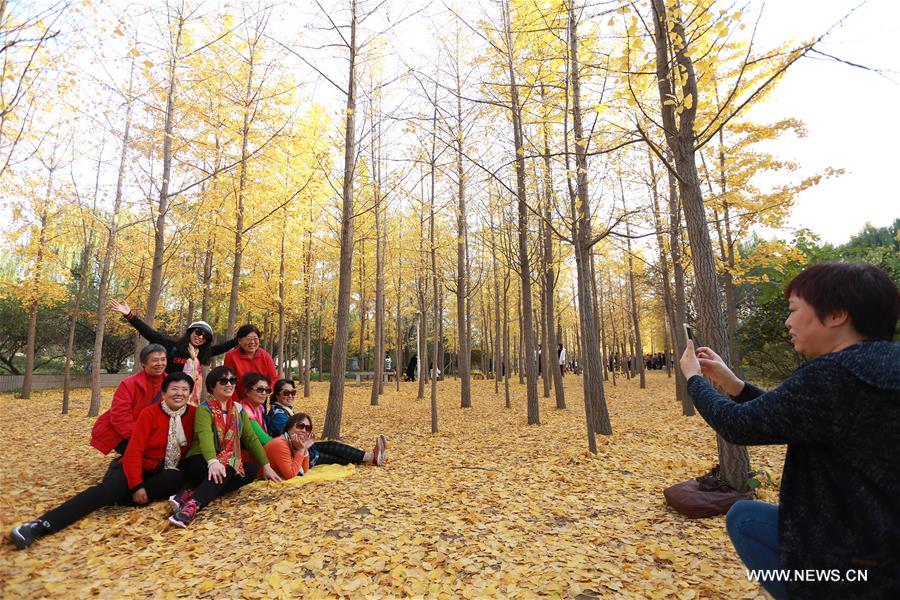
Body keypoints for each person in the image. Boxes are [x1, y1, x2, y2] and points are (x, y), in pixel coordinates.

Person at [679, 262, 900, 599]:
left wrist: (694, 380)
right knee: (746, 517)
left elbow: (738, 426)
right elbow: (792, 415)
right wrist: (733, 384)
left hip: (853, 564)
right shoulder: (878, 367)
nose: (788, 321)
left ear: (837, 314)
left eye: (794, 310)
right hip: (884, 548)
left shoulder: (833, 374)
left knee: (746, 519)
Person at [11, 372, 197, 550]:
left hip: (163, 469)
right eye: (174, 389)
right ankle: (40, 525)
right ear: (163, 393)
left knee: (174, 479)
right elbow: (134, 451)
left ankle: (120, 497)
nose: (179, 393)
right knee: (106, 492)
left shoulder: (193, 414)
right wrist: (136, 486)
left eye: (184, 389)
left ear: (190, 393)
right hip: (136, 465)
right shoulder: (149, 414)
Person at [169, 365, 281, 528]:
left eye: (232, 380)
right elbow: (205, 436)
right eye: (224, 381)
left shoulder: (238, 410)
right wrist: (213, 461)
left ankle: (190, 494)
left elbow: (250, 438)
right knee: (229, 464)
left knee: (250, 469)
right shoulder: (204, 409)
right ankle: (192, 507)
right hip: (200, 461)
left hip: (225, 463)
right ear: (212, 386)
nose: (230, 384)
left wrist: (266, 465)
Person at [109, 299, 236, 403]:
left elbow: (224, 346)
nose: (201, 337)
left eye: (206, 336)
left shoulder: (201, 354)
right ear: (190, 332)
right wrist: (129, 315)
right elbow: (150, 334)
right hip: (166, 396)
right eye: (198, 332)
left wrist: (243, 337)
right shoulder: (173, 347)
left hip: (190, 398)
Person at [90, 343, 168, 455]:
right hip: (128, 434)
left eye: (163, 359)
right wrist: (140, 438)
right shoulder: (129, 384)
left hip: (155, 434)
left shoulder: (171, 383)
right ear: (143, 363)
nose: (160, 364)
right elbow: (120, 415)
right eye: (155, 360)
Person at [223, 325, 278, 401]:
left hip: (260, 401)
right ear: (239, 341)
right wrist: (236, 403)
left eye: (255, 339)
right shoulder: (231, 356)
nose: (252, 342)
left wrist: (264, 392)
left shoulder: (265, 356)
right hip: (238, 400)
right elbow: (228, 381)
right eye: (248, 339)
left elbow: (274, 378)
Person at [263, 413, 315, 480]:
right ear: (289, 427)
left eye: (308, 428)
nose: (304, 430)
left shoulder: (294, 444)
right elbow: (290, 475)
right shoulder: (280, 444)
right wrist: (301, 450)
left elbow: (304, 471)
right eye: (300, 426)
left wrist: (304, 449)